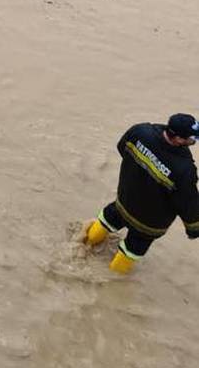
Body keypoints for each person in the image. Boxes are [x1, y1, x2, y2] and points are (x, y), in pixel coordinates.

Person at [84, 114, 199, 274]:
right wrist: (194, 229)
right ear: (179, 139)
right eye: (192, 137)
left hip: (124, 202)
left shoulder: (140, 132)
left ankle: (85, 244)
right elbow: (187, 203)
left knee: (106, 220)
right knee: (132, 249)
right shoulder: (185, 170)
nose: (194, 140)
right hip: (148, 224)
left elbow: (122, 147)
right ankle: (109, 282)